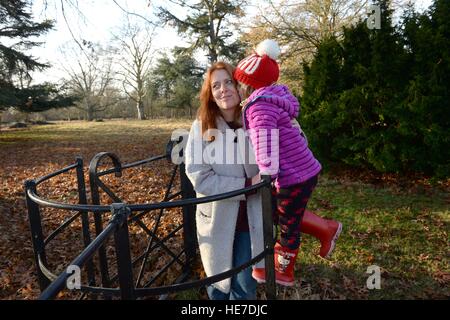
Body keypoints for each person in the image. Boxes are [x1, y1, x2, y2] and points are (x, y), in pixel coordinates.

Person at [234, 39, 343, 286]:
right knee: (282, 212)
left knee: (288, 225)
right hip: (303, 171)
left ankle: (283, 270)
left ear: (248, 84)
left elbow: (265, 147)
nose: (237, 86)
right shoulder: (271, 98)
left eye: (239, 81)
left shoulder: (259, 108)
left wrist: (267, 177)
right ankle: (327, 228)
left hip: (293, 176)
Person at [184, 61, 265, 300]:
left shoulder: (259, 118)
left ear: (240, 85)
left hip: (252, 219)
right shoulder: (201, 127)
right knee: (217, 287)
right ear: (210, 93)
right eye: (216, 85)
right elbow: (199, 177)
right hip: (217, 221)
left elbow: (290, 142)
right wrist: (247, 185)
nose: (223, 89)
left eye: (229, 81)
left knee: (244, 287)